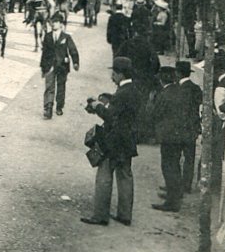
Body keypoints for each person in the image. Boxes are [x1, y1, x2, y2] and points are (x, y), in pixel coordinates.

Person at [81, 57, 139, 226]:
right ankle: (125, 214)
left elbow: (111, 116)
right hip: (128, 140)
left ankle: (100, 215)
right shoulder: (133, 90)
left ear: (120, 74)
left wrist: (97, 106)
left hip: (113, 140)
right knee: (125, 175)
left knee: (104, 176)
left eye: (113, 74)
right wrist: (106, 99)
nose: (111, 77)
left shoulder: (122, 93)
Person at [151, 66, 189, 212]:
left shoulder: (164, 94)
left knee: (168, 166)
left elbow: (156, 113)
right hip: (179, 135)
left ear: (162, 79)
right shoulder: (180, 90)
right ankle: (175, 194)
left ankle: (171, 202)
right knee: (175, 165)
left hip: (168, 136)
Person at [39, 12, 79, 120]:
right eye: (52, 22)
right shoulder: (47, 36)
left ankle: (59, 106)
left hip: (62, 66)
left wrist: (75, 62)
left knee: (61, 87)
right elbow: (44, 53)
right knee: (49, 87)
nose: (53, 24)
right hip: (50, 65)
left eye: (56, 22)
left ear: (61, 24)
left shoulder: (66, 37)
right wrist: (43, 67)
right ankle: (48, 108)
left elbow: (73, 50)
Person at [174, 61, 202, 195]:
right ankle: (186, 184)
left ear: (178, 73)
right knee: (189, 158)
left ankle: (176, 184)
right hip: (192, 128)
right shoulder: (195, 88)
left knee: (175, 157)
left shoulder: (178, 89)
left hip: (180, 128)